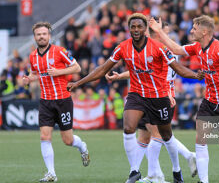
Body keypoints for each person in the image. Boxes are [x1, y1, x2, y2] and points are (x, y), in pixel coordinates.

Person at [67, 13, 204, 183]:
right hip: (137, 95)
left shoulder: (159, 48)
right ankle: (135, 171)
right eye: (133, 27)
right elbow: (103, 69)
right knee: (129, 127)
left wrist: (196, 76)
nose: (136, 29)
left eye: (139, 26)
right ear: (129, 29)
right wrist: (79, 82)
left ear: (145, 29)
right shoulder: (123, 47)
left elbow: (179, 68)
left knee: (166, 135)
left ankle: (176, 172)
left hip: (159, 96)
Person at [149, 15, 219, 183]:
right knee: (200, 138)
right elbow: (176, 49)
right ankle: (204, 181)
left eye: (194, 28)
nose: (191, 31)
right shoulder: (197, 47)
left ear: (204, 31)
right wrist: (159, 31)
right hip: (209, 101)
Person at [106, 19, 197, 183]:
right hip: (144, 95)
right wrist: (121, 75)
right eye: (161, 32)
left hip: (160, 95)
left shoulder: (162, 49)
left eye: (166, 33)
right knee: (145, 136)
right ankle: (155, 172)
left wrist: (169, 94)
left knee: (158, 135)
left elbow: (166, 76)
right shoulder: (148, 47)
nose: (164, 36)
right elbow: (142, 70)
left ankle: (159, 173)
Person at [23, 22, 90, 182]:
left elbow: (77, 68)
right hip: (45, 102)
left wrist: (59, 71)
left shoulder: (60, 52)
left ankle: (82, 146)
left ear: (49, 36)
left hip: (63, 101)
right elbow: (35, 74)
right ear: (35, 37)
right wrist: (28, 79)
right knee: (45, 136)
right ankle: (51, 173)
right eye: (38, 34)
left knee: (68, 140)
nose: (41, 36)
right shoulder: (33, 56)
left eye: (44, 34)